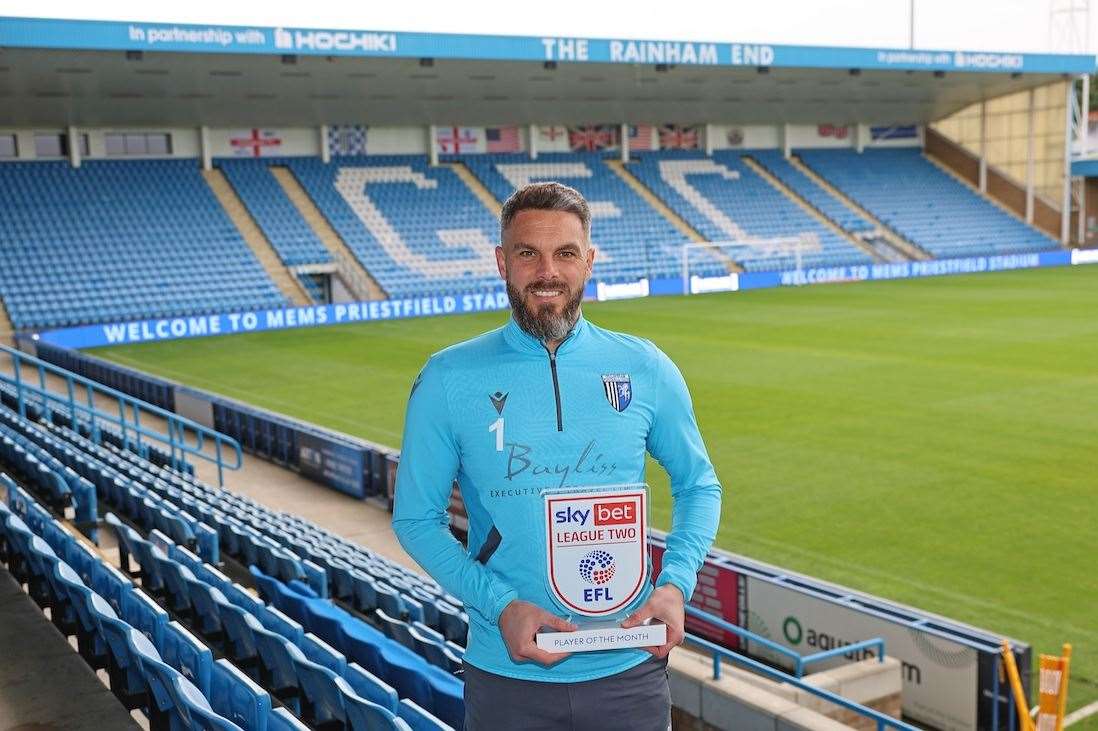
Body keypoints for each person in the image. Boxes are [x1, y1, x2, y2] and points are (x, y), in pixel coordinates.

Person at [392, 181, 722, 730]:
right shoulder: (448, 379)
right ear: (503, 262)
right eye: (529, 253)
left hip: (629, 670)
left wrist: (675, 584)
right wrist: (500, 605)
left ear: (589, 261)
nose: (548, 272)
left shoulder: (645, 367)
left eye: (565, 253)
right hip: (508, 678)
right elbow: (415, 520)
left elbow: (698, 484)